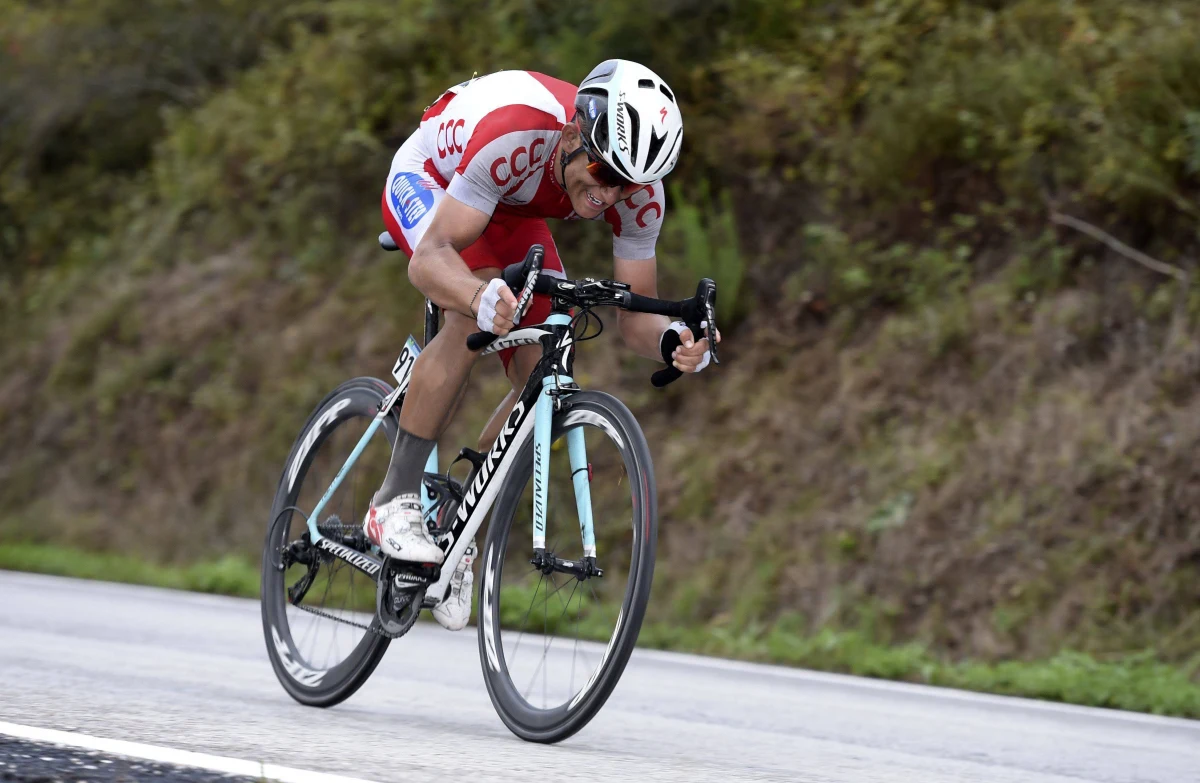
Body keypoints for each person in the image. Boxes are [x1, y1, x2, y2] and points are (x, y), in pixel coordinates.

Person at [371, 59, 718, 631]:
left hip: (508, 202)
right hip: (434, 175)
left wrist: (680, 343)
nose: (609, 194)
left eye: (625, 184)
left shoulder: (637, 189)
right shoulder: (517, 131)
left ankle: (456, 519)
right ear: (573, 132)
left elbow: (635, 320)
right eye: (604, 172)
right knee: (468, 316)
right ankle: (393, 498)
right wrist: (479, 297)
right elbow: (431, 260)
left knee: (546, 376)